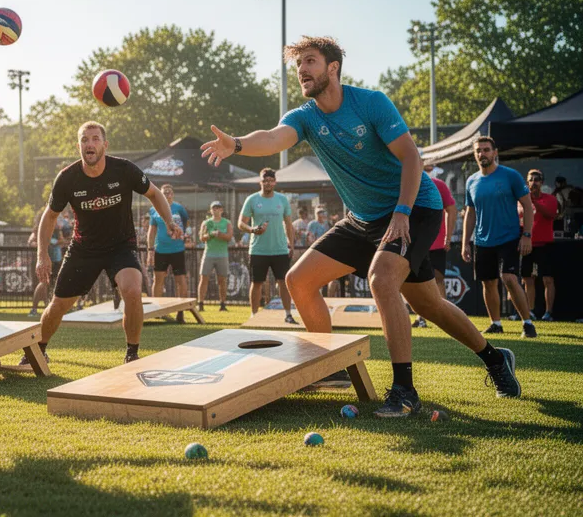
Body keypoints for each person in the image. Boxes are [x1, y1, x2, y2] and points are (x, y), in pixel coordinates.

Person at [201, 35, 521, 418]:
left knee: (383, 280)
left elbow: (411, 158)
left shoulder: (370, 103)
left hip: (414, 209)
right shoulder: (304, 116)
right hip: (362, 219)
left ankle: (405, 392)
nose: (302, 70)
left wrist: (402, 212)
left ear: (332, 67)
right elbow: (271, 138)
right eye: (298, 65)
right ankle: (490, 357)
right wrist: (235, 144)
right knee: (308, 282)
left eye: (310, 62)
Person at [33, 121, 181, 366]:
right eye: (84, 140)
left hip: (120, 246)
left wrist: (168, 221)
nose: (89, 144)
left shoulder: (124, 169)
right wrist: (42, 254)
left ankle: (132, 354)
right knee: (58, 304)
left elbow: (155, 193)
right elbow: (49, 216)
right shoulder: (67, 178)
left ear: (104, 144)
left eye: (94, 139)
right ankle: (37, 350)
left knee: (133, 289)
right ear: (78, 145)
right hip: (83, 249)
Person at [461, 137, 536, 338]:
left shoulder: (510, 176)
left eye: (486, 150)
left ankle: (528, 323)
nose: (482, 154)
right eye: (478, 150)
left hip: (509, 237)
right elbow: (470, 212)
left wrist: (526, 235)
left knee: (509, 278)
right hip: (482, 240)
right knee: (488, 282)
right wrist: (465, 242)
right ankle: (496, 323)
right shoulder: (472, 181)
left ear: (495, 153)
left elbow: (528, 206)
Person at [239, 168, 297, 324]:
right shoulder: (252, 199)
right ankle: (254, 315)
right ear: (260, 182)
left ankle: (288, 314)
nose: (268, 183)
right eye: (265, 180)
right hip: (258, 250)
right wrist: (252, 230)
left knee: (284, 283)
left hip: (279, 249)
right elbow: (240, 223)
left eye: (271, 180)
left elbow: (289, 224)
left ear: (275, 182)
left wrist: (291, 245)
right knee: (257, 283)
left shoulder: (282, 200)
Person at [412, 162, 457, 328]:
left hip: (436, 243)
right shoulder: (405, 185)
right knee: (416, 281)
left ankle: (444, 318)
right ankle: (421, 318)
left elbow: (452, 209)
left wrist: (448, 237)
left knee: (438, 279)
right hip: (415, 243)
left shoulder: (439, 185)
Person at [146, 184, 189, 323]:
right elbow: (151, 231)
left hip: (177, 249)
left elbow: (185, 225)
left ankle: (180, 312)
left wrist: (183, 237)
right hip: (160, 250)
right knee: (158, 280)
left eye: (169, 192)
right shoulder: (154, 210)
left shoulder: (179, 208)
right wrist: (150, 250)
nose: (167, 195)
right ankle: (157, 311)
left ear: (173, 194)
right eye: (164, 192)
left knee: (180, 280)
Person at [519, 169, 558, 321]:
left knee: (547, 279)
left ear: (542, 182)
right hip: (526, 245)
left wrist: (532, 201)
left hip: (545, 244)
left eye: (537, 179)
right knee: (527, 279)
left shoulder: (550, 198)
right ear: (527, 182)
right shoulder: (521, 200)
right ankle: (530, 311)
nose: (534, 182)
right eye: (531, 179)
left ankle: (548, 312)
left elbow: (550, 213)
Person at [29, 205, 68, 317]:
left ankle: (49, 307)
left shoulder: (57, 228)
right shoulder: (39, 229)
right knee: (43, 282)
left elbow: (61, 240)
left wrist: (58, 242)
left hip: (56, 259)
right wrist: (47, 245)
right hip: (45, 259)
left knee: (53, 283)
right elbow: (32, 241)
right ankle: (34, 309)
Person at [197, 200, 232, 312]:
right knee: (204, 278)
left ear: (222, 210)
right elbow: (202, 237)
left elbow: (229, 237)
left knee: (222, 280)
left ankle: (222, 304)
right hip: (209, 254)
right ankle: (201, 303)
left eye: (218, 208)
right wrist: (211, 235)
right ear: (211, 210)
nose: (216, 210)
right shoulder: (206, 223)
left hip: (222, 255)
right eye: (214, 208)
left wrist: (220, 234)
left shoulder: (227, 223)